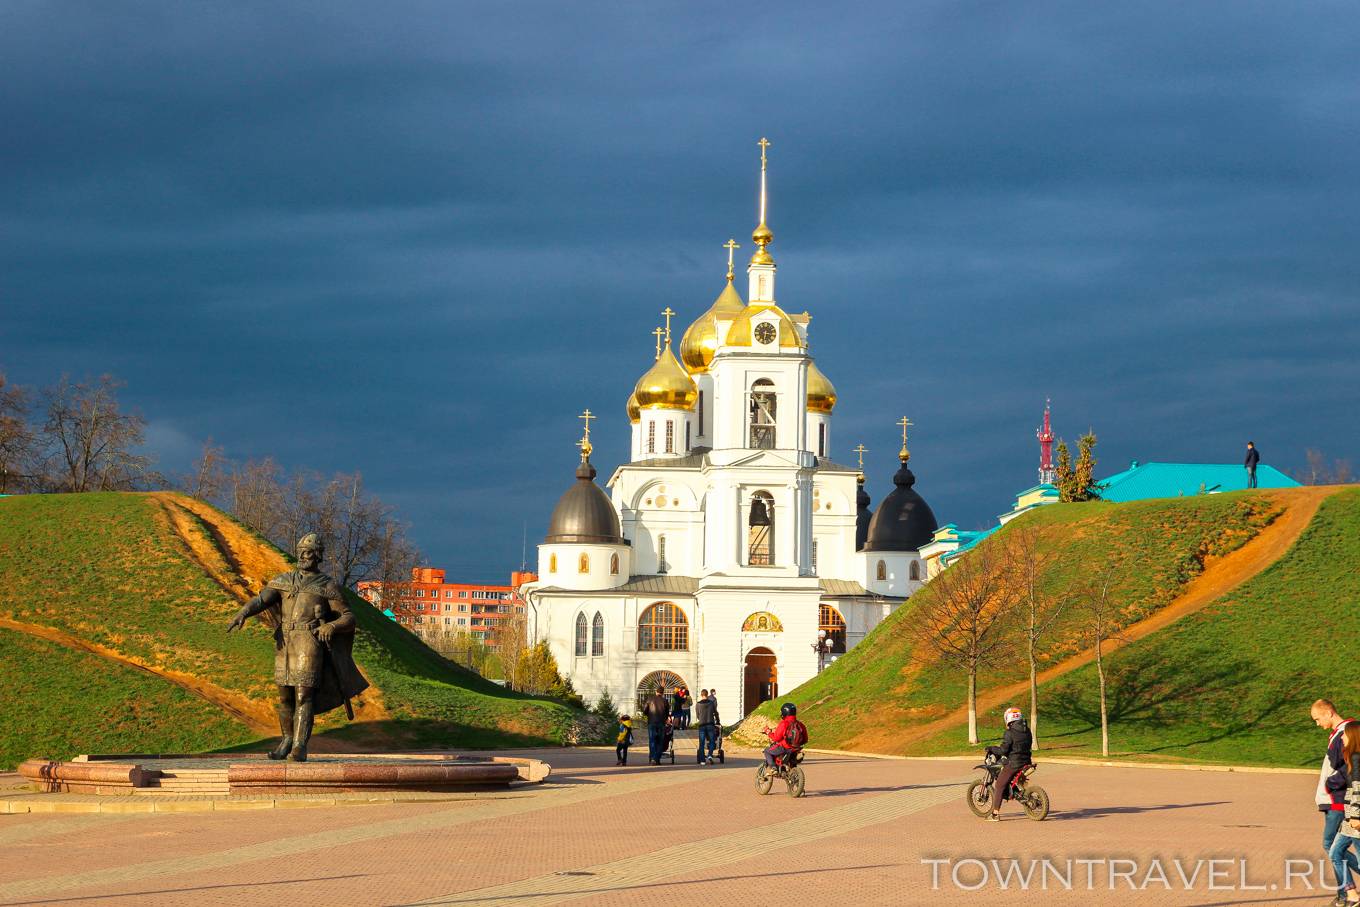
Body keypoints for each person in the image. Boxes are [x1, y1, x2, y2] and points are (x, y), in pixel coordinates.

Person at [1313, 699, 1359, 904]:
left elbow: (1350, 772)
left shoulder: (1346, 733)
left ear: (1329, 713)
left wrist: (1331, 784)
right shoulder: (1339, 734)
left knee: (1332, 847)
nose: (1317, 724)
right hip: (1338, 803)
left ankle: (1347, 893)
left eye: (1317, 718)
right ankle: (1345, 893)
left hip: (1340, 803)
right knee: (1337, 848)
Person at [1330, 723, 1360, 905]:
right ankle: (1352, 894)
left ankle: (1352, 895)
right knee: (1335, 852)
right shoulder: (1352, 757)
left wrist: (1356, 816)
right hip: (1350, 819)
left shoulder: (1357, 758)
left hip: (1355, 819)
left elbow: (1358, 788)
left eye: (1345, 735)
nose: (1342, 738)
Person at [986, 707, 1033, 821]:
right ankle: (1016, 793)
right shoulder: (1027, 730)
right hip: (1027, 761)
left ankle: (995, 814)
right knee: (1009, 778)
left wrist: (992, 748)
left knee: (999, 785)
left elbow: (1003, 751)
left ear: (1008, 718)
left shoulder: (1010, 732)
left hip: (1015, 763)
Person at [763, 702, 806, 768]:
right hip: (796, 749)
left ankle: (773, 767)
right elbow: (805, 739)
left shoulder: (784, 723)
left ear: (784, 712)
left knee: (767, 751)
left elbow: (776, 738)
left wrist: (769, 733)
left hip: (784, 748)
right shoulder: (800, 724)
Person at [643, 686, 670, 765]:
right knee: (660, 741)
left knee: (652, 740)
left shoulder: (650, 699)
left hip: (652, 722)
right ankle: (657, 759)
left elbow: (644, 711)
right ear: (663, 693)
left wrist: (650, 714)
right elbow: (667, 713)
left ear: (656, 691)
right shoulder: (665, 701)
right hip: (661, 723)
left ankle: (652, 758)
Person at [694, 689, 719, 765]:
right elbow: (715, 713)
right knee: (712, 741)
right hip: (710, 724)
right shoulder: (711, 703)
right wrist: (718, 721)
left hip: (702, 725)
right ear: (707, 694)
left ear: (701, 695)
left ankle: (702, 760)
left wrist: (701, 718)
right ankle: (710, 755)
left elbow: (698, 715)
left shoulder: (698, 704)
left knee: (701, 743)